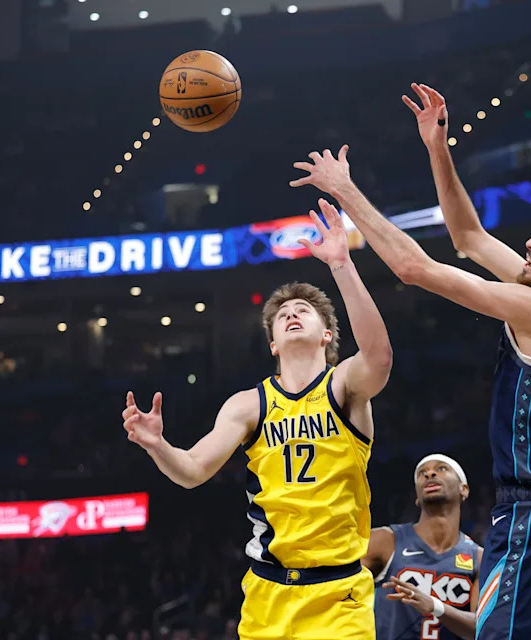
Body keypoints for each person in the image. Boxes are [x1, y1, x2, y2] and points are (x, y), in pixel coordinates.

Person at [289, 75, 531, 639]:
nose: (530, 243)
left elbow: (415, 268)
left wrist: (345, 191)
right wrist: (437, 147)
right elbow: (468, 236)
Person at [121, 200, 393, 640]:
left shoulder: (345, 385)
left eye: (303, 310)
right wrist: (158, 446)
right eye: (282, 315)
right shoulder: (248, 405)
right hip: (268, 594)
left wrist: (341, 264)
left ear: (326, 335)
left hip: (339, 593)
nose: (291, 314)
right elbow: (192, 470)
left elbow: (379, 357)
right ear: (272, 345)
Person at [365, 454, 483, 640]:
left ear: (464, 489)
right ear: (417, 497)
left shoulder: (479, 558)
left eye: (441, 468)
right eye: (422, 473)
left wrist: (436, 606)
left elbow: (481, 628)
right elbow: (339, 587)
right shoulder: (385, 540)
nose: (429, 474)